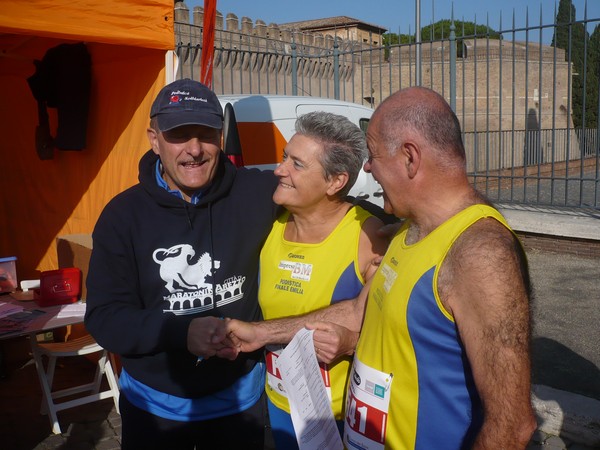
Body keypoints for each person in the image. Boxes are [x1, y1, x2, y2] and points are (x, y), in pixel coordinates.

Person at [221, 86, 537, 449]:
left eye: (373, 155)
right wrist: (262, 334)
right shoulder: (408, 230)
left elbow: (512, 425)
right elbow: (357, 311)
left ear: (409, 158)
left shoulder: (481, 253)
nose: (366, 168)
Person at [84, 78, 281, 449]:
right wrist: (180, 332)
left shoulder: (257, 193)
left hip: (239, 402)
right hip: (155, 409)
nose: (194, 149)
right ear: (153, 138)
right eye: (178, 134)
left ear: (220, 136)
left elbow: (322, 193)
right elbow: (104, 318)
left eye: (206, 133)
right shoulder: (122, 216)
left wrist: (374, 231)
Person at [254, 111, 388, 448]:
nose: (279, 170)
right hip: (280, 404)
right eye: (285, 158)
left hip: (342, 420)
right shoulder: (269, 225)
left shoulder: (369, 236)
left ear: (335, 182)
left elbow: (397, 328)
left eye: (296, 164)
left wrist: (351, 341)